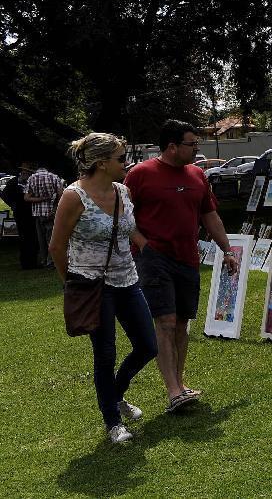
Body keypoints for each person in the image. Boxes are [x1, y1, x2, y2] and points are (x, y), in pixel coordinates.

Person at [48, 133, 158, 444]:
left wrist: (148, 247)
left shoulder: (122, 191)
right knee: (105, 353)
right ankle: (112, 422)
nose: (127, 163)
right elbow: (57, 246)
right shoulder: (74, 196)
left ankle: (115, 394)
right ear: (101, 163)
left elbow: (128, 228)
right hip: (93, 285)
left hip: (127, 279)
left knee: (148, 346)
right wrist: (71, 283)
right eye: (121, 158)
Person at [125, 120, 238, 413]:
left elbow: (210, 216)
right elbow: (124, 217)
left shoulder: (198, 175)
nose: (196, 148)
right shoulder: (140, 175)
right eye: (192, 143)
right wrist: (143, 244)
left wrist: (227, 249)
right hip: (154, 259)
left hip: (188, 258)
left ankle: (179, 382)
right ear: (172, 146)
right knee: (165, 322)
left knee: (182, 324)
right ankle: (174, 391)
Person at [1, 164, 40, 269]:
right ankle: (25, 262)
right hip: (20, 213)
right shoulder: (13, 182)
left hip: (31, 213)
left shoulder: (31, 183)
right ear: (23, 173)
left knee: (33, 237)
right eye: (26, 173)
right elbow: (4, 195)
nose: (28, 175)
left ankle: (33, 261)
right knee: (24, 237)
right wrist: (12, 205)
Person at [25, 163, 65, 267]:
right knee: (51, 237)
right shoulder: (54, 177)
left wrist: (40, 199)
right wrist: (55, 208)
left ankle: (44, 260)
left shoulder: (31, 178)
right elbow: (61, 195)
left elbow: (27, 198)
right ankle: (51, 261)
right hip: (51, 212)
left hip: (38, 213)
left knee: (41, 238)